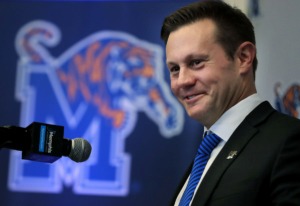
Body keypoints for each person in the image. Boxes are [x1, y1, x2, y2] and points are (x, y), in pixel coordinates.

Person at [160, 1, 300, 205]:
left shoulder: (289, 141)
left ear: (243, 58)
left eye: (196, 62)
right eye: (174, 69)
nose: (182, 81)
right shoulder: (205, 155)